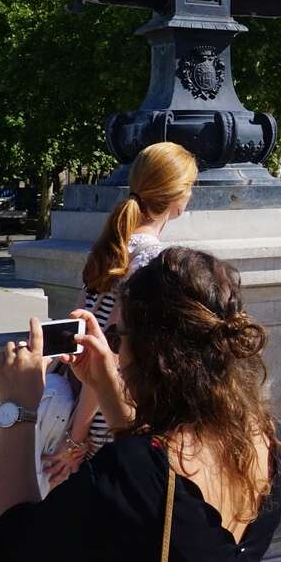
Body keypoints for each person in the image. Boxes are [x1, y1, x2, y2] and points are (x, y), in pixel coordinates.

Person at [0, 248, 281, 562]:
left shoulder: (133, 473)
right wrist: (110, 391)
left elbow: (12, 549)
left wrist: (19, 413)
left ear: (151, 354)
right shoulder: (268, 439)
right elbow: (161, 495)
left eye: (119, 336)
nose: (114, 349)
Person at [43, 142, 198, 488]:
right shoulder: (154, 261)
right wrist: (76, 437)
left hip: (89, 407)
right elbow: (108, 356)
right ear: (177, 196)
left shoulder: (115, 246)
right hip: (109, 416)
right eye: (190, 187)